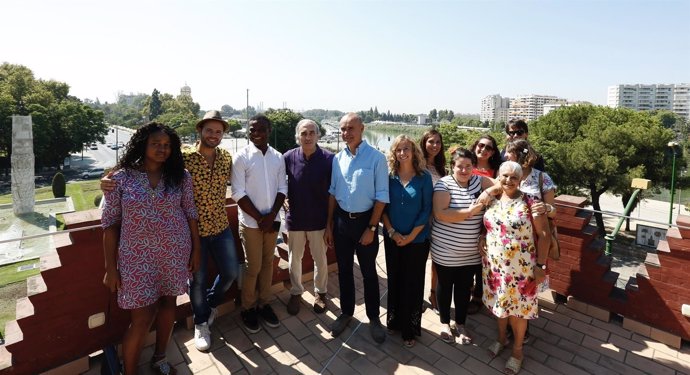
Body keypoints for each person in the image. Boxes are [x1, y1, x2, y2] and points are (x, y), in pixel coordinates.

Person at [102, 110, 239, 352]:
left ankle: (209, 306)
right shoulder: (183, 158)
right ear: (200, 130)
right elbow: (137, 171)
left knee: (230, 273)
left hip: (219, 226)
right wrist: (104, 181)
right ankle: (200, 323)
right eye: (209, 130)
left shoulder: (226, 157)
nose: (214, 135)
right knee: (196, 282)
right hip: (189, 234)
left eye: (219, 131)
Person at [102, 122, 200, 375]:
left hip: (174, 253)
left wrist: (196, 250)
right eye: (156, 143)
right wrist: (110, 267)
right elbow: (110, 224)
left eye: (167, 145)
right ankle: (130, 371)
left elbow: (190, 213)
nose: (162, 149)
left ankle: (159, 358)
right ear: (143, 144)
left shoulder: (181, 176)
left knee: (169, 304)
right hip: (135, 258)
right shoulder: (120, 179)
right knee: (141, 318)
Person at [478, 161, 549, 375]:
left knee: (518, 311)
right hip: (495, 265)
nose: (508, 180)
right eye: (505, 176)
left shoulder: (530, 202)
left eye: (514, 177)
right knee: (499, 304)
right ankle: (501, 339)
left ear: (520, 180)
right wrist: (483, 236)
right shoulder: (492, 199)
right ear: (498, 176)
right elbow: (492, 225)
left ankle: (517, 351)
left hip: (522, 268)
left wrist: (541, 266)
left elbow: (544, 235)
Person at [324, 113, 389, 343]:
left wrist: (372, 228)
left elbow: (382, 197)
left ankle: (373, 318)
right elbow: (332, 192)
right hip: (342, 223)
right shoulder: (337, 158)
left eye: (351, 128)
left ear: (362, 128)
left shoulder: (376, 158)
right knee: (344, 271)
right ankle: (347, 312)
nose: (346, 133)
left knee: (370, 273)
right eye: (342, 129)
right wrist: (329, 226)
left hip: (365, 223)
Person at [430, 148, 493, 345]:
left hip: (471, 252)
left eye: (468, 166)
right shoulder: (444, 184)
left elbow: (502, 185)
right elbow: (442, 214)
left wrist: (489, 191)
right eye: (460, 166)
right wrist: (471, 211)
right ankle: (444, 322)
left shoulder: (478, 181)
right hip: (445, 249)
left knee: (464, 289)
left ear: (473, 167)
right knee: (445, 286)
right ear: (452, 167)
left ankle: (461, 323)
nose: (464, 170)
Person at [231, 114, 287, 334]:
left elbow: (282, 188)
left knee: (267, 265)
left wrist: (271, 215)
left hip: (271, 222)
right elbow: (237, 192)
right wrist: (260, 218)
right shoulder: (241, 157)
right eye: (252, 129)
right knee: (252, 267)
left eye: (261, 129)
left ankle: (264, 304)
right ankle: (247, 308)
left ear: (269, 130)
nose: (256, 133)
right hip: (251, 224)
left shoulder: (278, 157)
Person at [381, 135, 433, 348]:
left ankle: (409, 329)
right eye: (398, 150)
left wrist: (411, 236)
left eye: (406, 149)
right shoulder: (389, 177)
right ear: (394, 153)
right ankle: (394, 321)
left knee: (412, 283)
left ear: (414, 152)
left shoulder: (424, 177)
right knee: (394, 279)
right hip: (392, 238)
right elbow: (383, 207)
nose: (402, 153)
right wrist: (392, 232)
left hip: (417, 240)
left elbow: (426, 209)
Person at [283, 119, 334, 315]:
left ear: (318, 135)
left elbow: (333, 192)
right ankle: (296, 291)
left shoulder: (329, 159)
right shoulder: (288, 157)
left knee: (320, 259)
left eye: (312, 132)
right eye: (304, 133)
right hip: (295, 218)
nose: (308, 137)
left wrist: (329, 224)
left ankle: (321, 293)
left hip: (318, 220)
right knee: (294, 259)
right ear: (298, 136)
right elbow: (279, 183)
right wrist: (283, 199)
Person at [467, 134, 502, 315]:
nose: (483, 149)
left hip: (486, 218)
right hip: (466, 217)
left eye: (488, 148)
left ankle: (479, 296)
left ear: (493, 152)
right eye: (481, 145)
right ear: (475, 146)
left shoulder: (496, 171)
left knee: (482, 258)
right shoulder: (467, 165)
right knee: (468, 257)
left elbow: (502, 188)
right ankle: (468, 289)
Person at [419, 130, 446, 314]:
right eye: (431, 141)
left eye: (438, 142)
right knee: (419, 262)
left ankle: (433, 294)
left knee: (436, 261)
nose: (434, 145)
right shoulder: (417, 165)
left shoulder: (441, 167)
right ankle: (417, 296)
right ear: (423, 143)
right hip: (421, 220)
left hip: (438, 222)